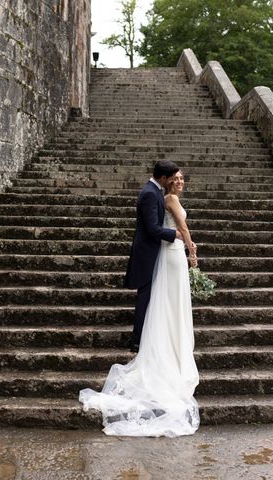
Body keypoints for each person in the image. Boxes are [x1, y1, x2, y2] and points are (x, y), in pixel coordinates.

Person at [79, 169, 199, 437]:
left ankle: (162, 339)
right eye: (175, 177)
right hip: (171, 251)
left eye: (182, 178)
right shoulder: (161, 196)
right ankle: (159, 342)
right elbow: (177, 227)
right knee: (168, 300)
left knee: (167, 300)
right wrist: (191, 248)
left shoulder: (160, 194)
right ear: (166, 178)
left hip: (168, 252)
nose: (178, 182)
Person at [123, 160, 182, 353]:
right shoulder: (149, 193)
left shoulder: (155, 191)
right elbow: (152, 229)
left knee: (150, 297)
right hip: (147, 254)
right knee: (145, 297)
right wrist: (175, 235)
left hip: (152, 252)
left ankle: (144, 337)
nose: (173, 182)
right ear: (163, 178)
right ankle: (137, 341)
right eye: (171, 178)